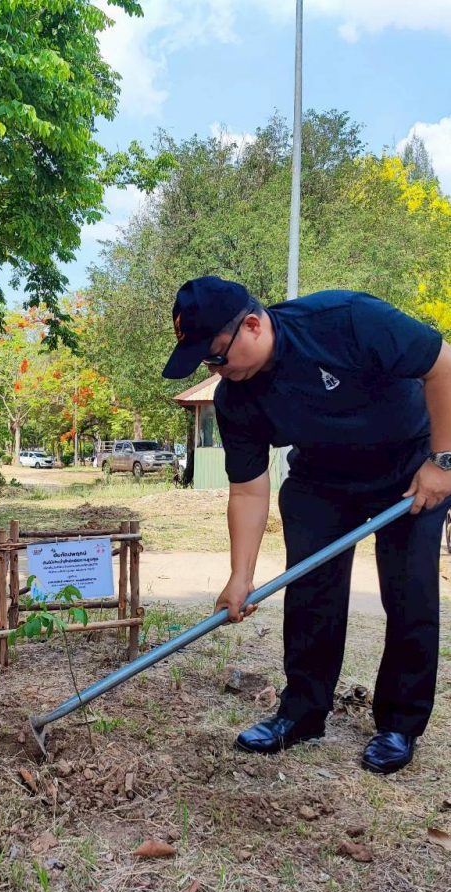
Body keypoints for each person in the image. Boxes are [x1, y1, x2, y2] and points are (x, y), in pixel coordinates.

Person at [163, 275, 451, 775]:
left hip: (409, 467)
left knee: (411, 593)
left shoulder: (345, 320)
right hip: (321, 479)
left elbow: (443, 365)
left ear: (252, 326)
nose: (216, 371)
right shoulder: (235, 398)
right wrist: (240, 576)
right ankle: (302, 713)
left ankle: (400, 723)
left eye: (216, 357)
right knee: (311, 592)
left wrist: (442, 461)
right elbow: (248, 491)